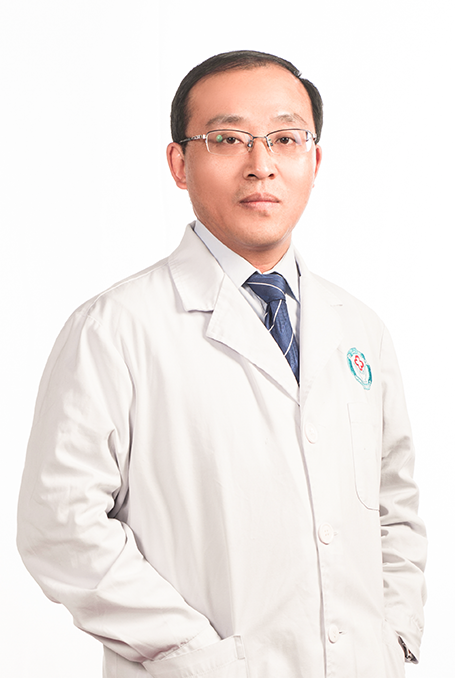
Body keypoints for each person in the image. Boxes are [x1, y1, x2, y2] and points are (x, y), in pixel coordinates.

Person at [17, 50, 427, 678]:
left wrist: (393, 638)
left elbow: (393, 502)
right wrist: (196, 657)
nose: (262, 164)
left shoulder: (359, 328)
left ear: (314, 161)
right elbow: (60, 527)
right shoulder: (114, 328)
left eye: (286, 139)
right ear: (180, 164)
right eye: (229, 139)